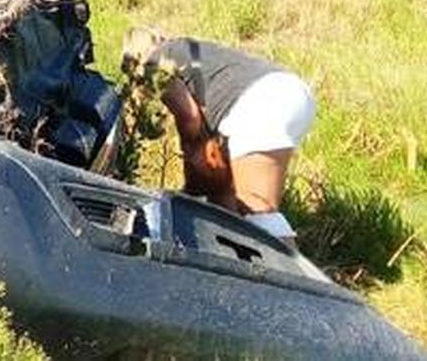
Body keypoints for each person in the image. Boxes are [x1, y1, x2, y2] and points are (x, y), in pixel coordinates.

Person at [122, 28, 316, 245]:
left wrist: (192, 169)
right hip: (289, 89)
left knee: (257, 209)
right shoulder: (187, 48)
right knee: (230, 198)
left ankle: (291, 277)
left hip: (261, 102)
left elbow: (190, 118)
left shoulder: (154, 63)